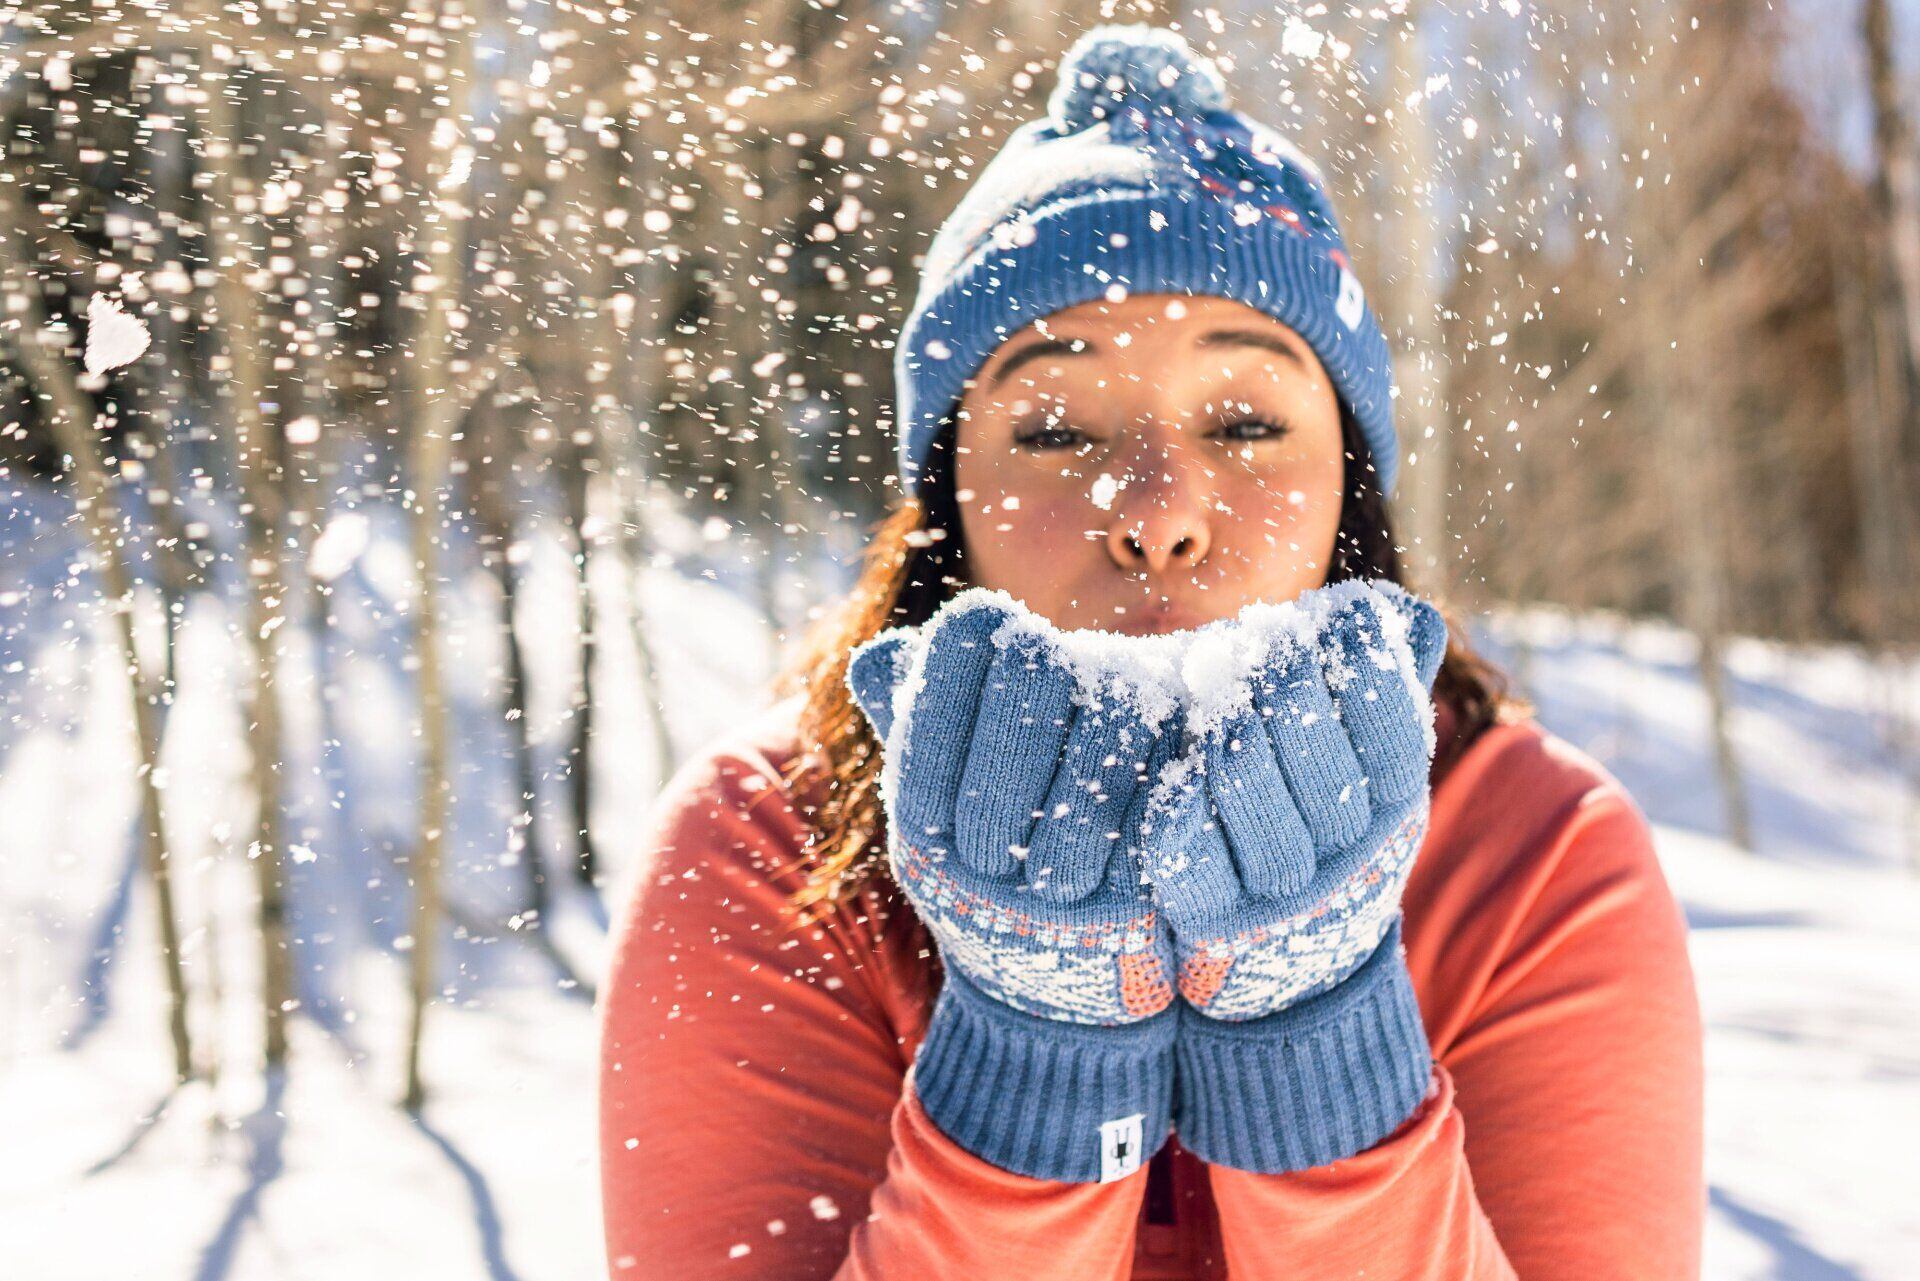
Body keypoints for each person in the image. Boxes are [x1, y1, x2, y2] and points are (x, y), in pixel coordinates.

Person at [598, 24, 1704, 1280]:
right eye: (1058, 430)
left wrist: (1316, 1037)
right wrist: (1031, 1060)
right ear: (948, 500)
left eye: (1244, 420)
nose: (1158, 509)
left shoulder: (1536, 856)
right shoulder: (773, 847)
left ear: (1351, 485)